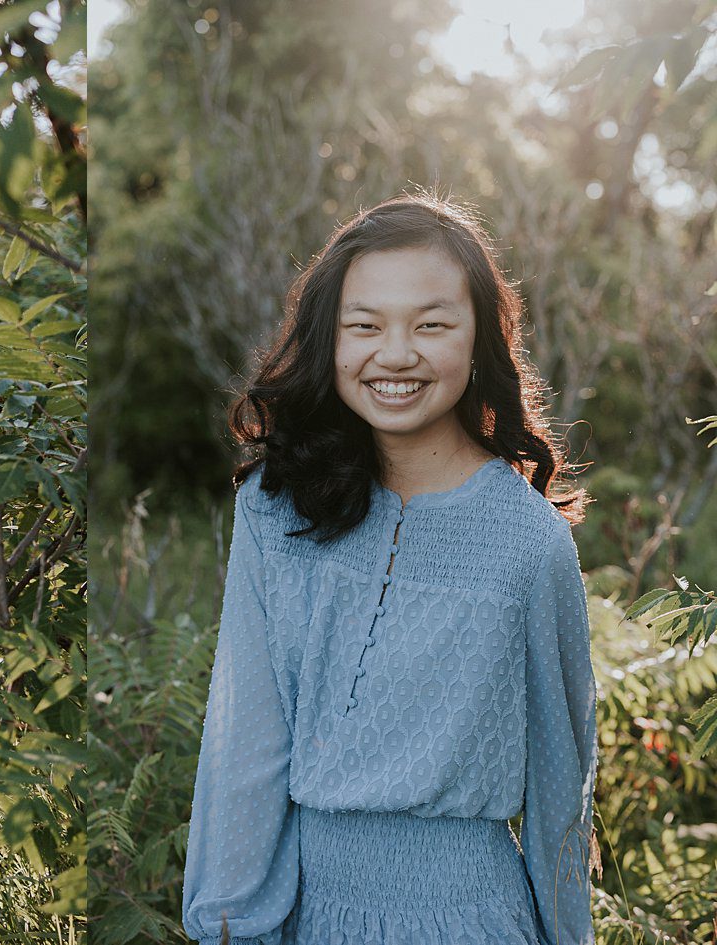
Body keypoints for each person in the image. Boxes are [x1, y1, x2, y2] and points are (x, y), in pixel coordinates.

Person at [179, 193, 596, 944]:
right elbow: (244, 746)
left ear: (480, 342)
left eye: (431, 324)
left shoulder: (530, 543)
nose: (395, 353)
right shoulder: (278, 511)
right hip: (309, 913)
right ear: (327, 340)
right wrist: (230, 927)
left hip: (476, 918)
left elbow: (562, 786)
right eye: (364, 325)